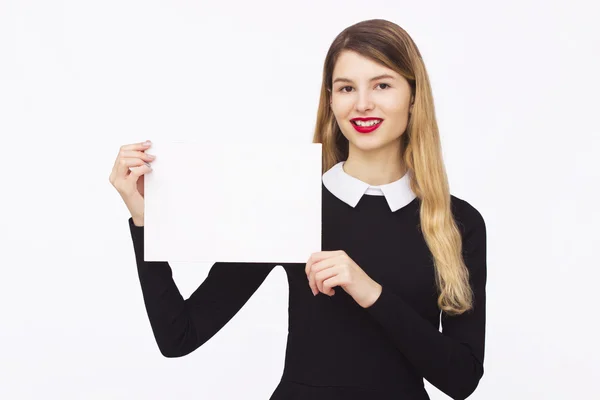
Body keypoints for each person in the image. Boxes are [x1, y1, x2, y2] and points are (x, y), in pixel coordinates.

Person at [109, 18, 487, 400]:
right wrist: (145, 222)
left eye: (382, 85)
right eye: (346, 88)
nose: (362, 104)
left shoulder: (459, 223)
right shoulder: (286, 202)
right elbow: (180, 336)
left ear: (414, 96)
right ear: (331, 100)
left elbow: (462, 379)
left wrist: (369, 291)